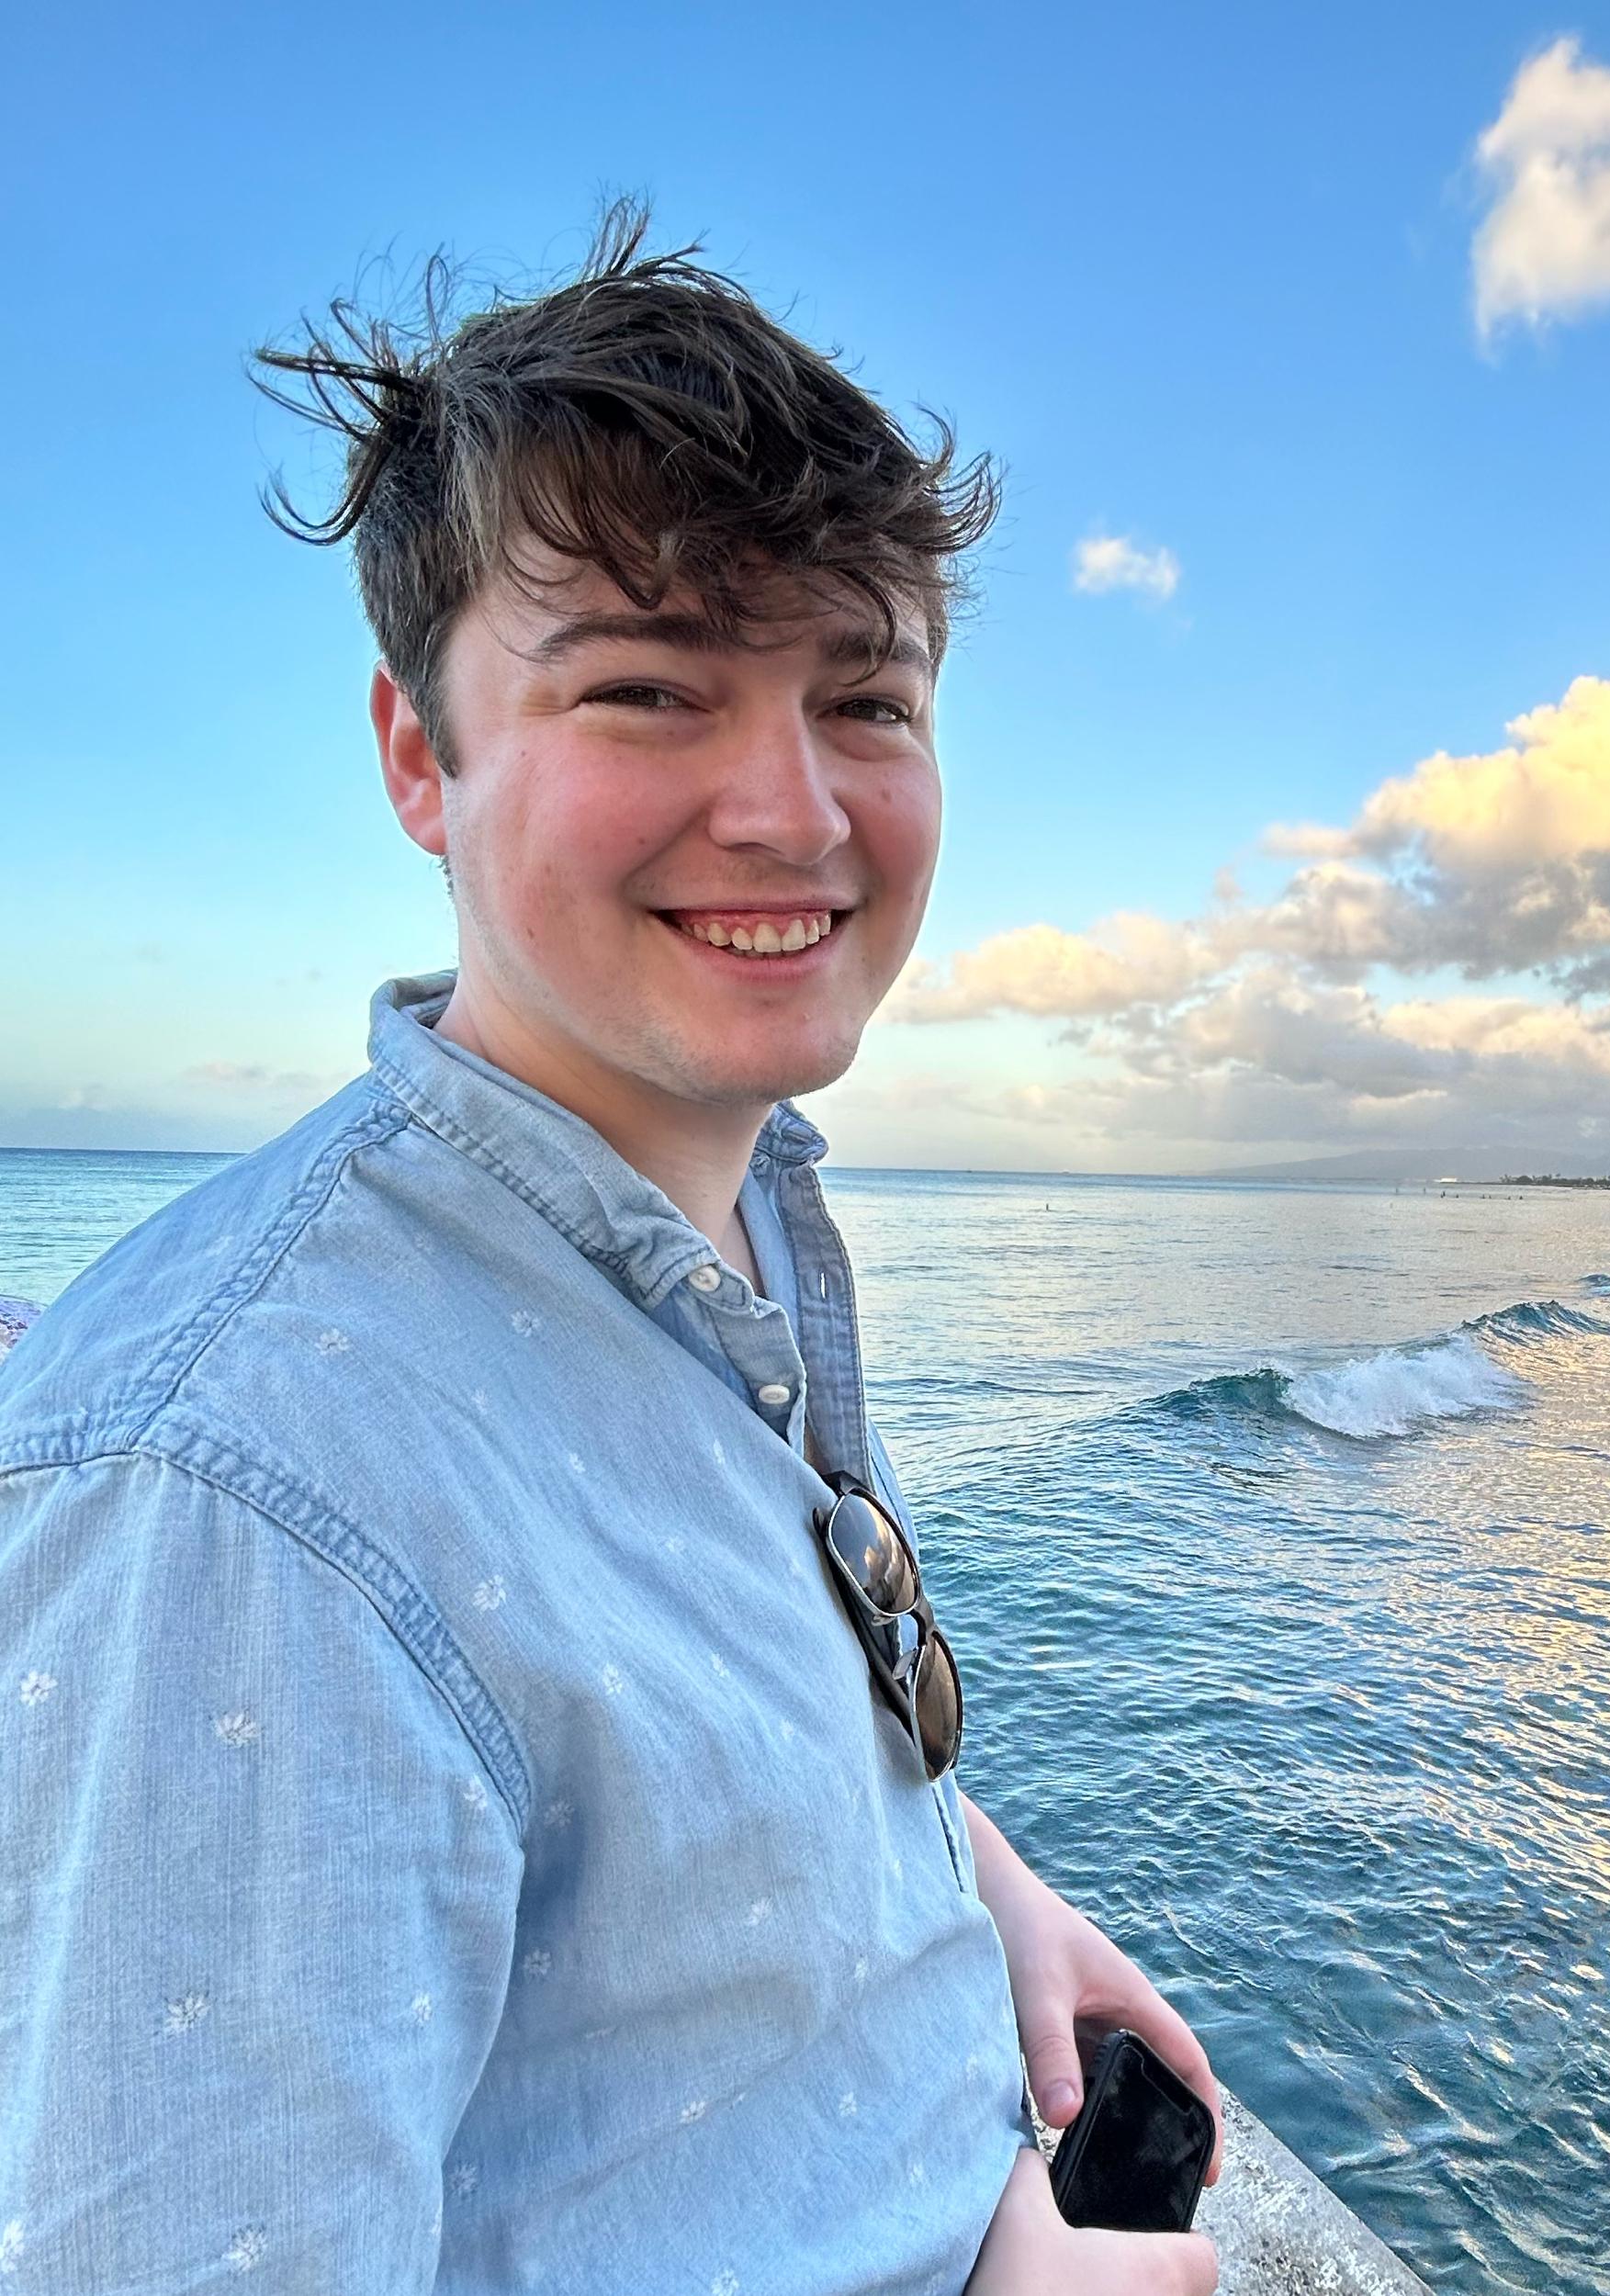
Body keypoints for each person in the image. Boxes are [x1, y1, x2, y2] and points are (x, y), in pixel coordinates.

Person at [0, 206, 1222, 2296]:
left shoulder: (724, 1219)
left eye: (865, 698)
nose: (795, 812)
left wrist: (968, 1876)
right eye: (649, 689)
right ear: (422, 756)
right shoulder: (233, 1495)